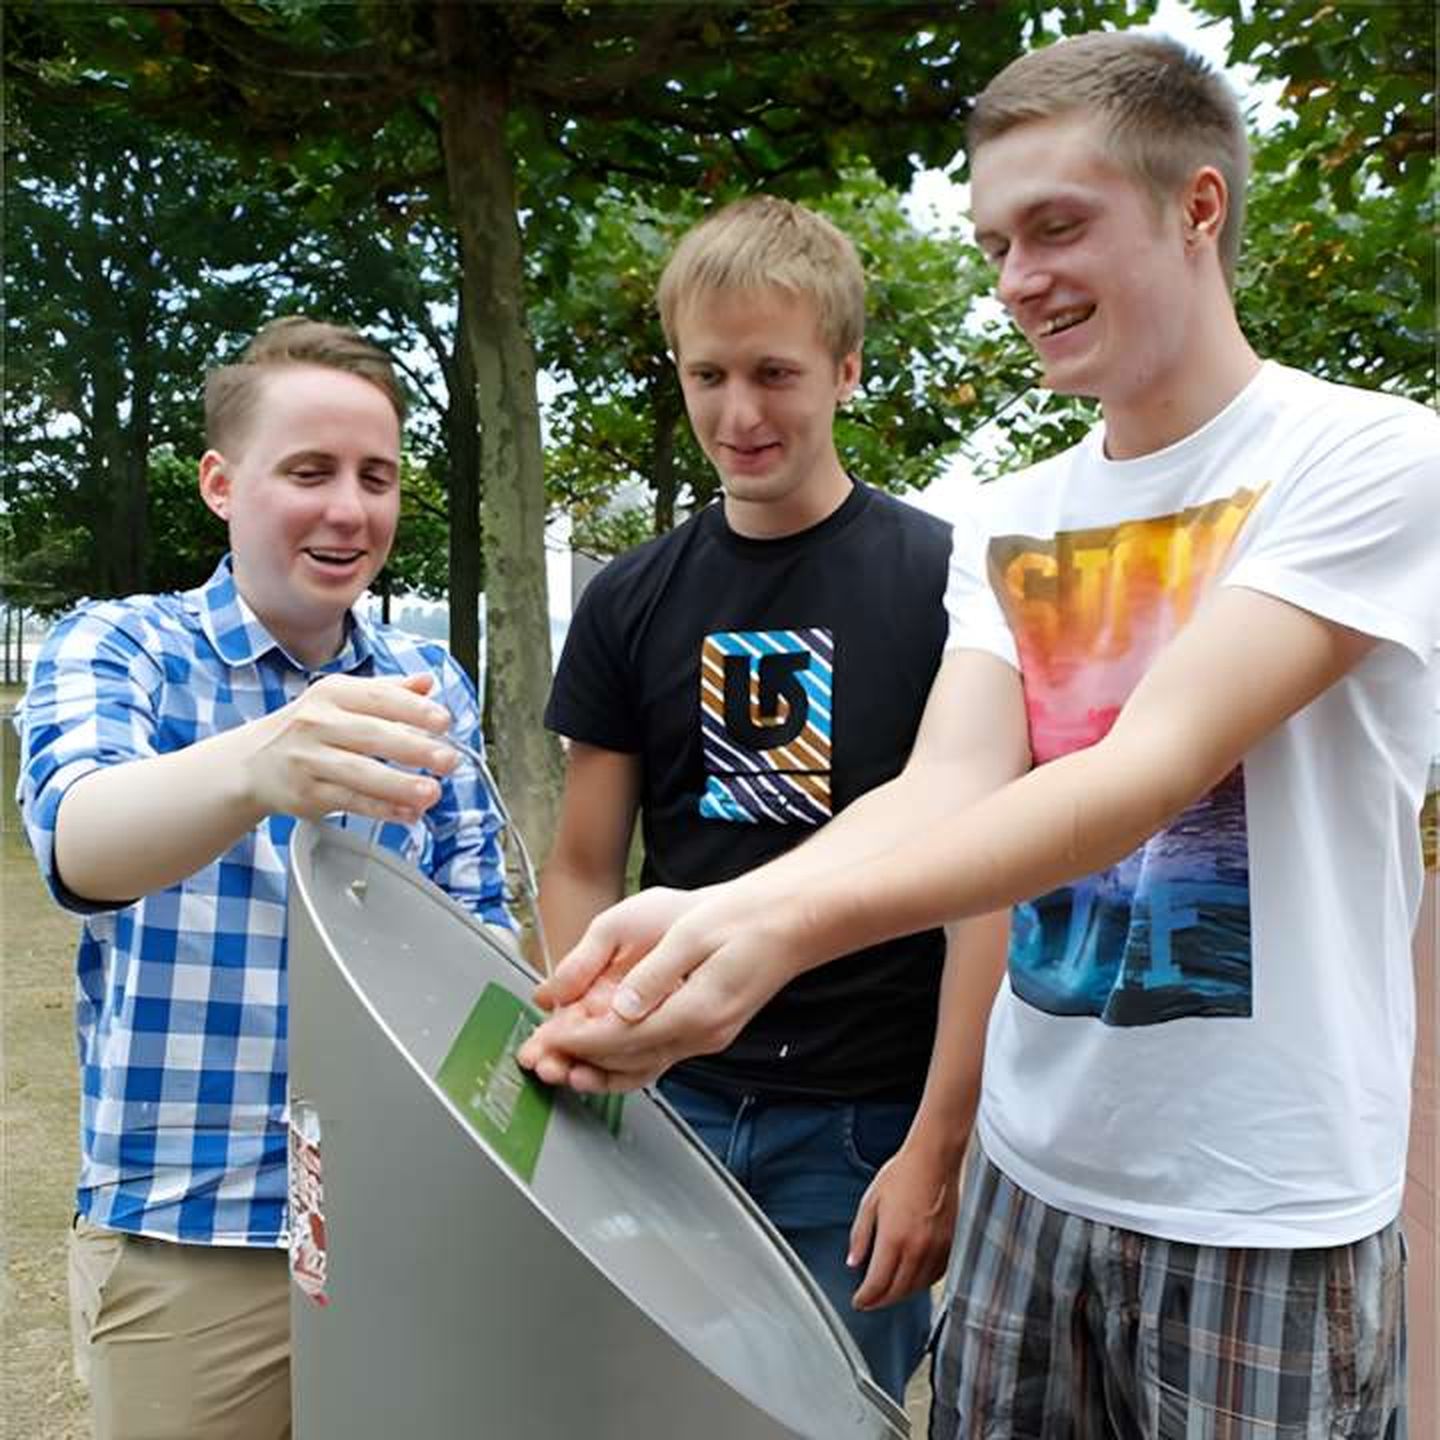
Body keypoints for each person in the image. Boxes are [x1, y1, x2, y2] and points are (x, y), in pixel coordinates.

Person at [521, 32, 1440, 1438]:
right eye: (997, 241)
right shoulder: (1012, 513)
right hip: (1034, 1177)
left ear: (1199, 208)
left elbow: (1137, 775)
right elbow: (951, 780)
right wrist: (712, 916)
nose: (1018, 281)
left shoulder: (1365, 457)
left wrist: (778, 937)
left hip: (1265, 1201)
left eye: (1058, 227)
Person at [537, 195, 1007, 1402]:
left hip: (861, 1126)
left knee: (824, 1417)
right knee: (644, 1408)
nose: (739, 414)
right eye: (708, 374)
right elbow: (587, 861)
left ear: (848, 369)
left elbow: (984, 891)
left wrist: (936, 1149)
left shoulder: (947, 582)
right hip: (672, 1109)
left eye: (776, 372)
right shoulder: (628, 599)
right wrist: (599, 1047)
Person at [17, 316, 510, 1440]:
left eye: (376, 477)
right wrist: (259, 763)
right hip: (191, 1229)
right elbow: (78, 844)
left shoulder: (426, 679)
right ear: (221, 484)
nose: (350, 508)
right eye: (309, 471)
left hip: (400, 1225)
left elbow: (481, 927)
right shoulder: (123, 646)